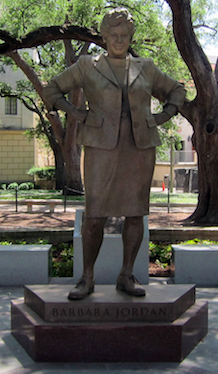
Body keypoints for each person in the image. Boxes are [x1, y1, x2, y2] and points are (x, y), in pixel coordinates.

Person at [43, 7, 186, 300]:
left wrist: (160, 117)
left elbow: (177, 90)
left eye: (124, 35)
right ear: (104, 37)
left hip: (138, 148)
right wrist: (77, 114)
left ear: (130, 36)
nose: (119, 40)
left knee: (135, 213)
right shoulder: (86, 65)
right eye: (113, 35)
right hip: (99, 147)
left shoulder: (146, 67)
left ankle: (126, 275)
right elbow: (52, 89)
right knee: (94, 215)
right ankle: (87, 277)